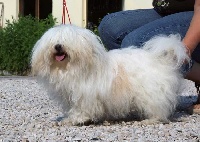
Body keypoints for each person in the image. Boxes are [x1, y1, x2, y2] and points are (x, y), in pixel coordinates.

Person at [98, 0, 200, 113]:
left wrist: (184, 50)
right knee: (110, 27)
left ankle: (156, 96)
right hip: (168, 8)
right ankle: (131, 95)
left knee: (134, 44)